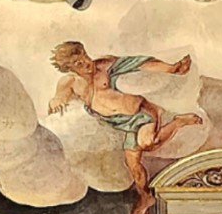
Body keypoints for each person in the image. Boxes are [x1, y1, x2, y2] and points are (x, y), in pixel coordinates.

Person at [47, 42, 203, 195]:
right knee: (134, 166)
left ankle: (178, 122)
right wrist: (55, 101)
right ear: (70, 69)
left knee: (148, 142)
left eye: (85, 56)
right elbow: (59, 98)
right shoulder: (70, 83)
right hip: (123, 124)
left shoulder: (104, 65)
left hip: (142, 112)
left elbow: (138, 63)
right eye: (78, 63)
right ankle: (145, 197)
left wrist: (171, 68)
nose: (87, 63)